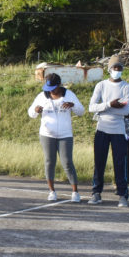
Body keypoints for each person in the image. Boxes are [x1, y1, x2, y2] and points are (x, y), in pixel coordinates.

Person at [27, 72, 84, 202]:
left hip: (65, 135)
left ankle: (75, 192)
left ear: (59, 84)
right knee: (49, 162)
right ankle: (52, 191)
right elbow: (30, 113)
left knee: (67, 162)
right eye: (48, 88)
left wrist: (72, 105)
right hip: (47, 134)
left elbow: (81, 111)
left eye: (53, 87)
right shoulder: (42, 96)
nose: (51, 91)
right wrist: (35, 111)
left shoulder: (69, 94)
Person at [87, 57, 129, 207]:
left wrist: (107, 108)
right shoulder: (101, 85)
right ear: (109, 69)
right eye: (115, 68)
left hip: (118, 130)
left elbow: (126, 111)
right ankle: (96, 192)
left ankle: (123, 195)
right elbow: (92, 107)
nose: (117, 71)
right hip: (102, 128)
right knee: (99, 162)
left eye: (120, 68)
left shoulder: (126, 87)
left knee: (120, 163)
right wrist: (110, 105)